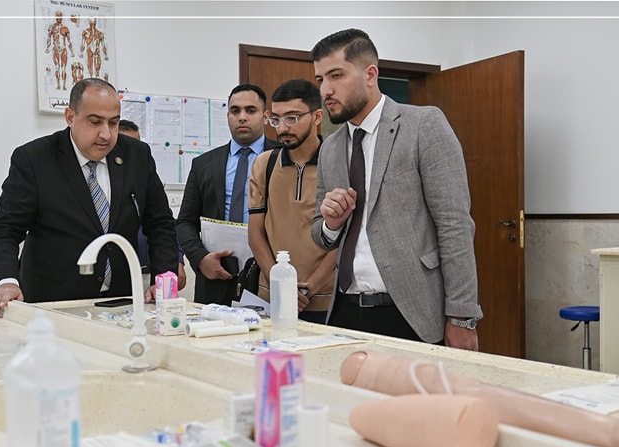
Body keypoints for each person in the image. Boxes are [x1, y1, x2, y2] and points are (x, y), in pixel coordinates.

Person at [311, 29, 481, 351]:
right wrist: (331, 224)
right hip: (345, 313)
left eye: (336, 75)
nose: (326, 90)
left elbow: (455, 226)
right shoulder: (330, 148)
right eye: (320, 79)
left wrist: (462, 317)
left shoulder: (422, 125)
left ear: (370, 74)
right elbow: (319, 234)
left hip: (411, 314)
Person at [0, 78, 178, 317]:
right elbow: (5, 229)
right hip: (53, 304)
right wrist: (6, 281)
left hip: (121, 302)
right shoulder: (34, 159)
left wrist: (164, 277)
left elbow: (160, 224)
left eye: (113, 123)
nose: (106, 134)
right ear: (70, 117)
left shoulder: (137, 155)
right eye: (95, 122)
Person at [176, 84, 279, 305]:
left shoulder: (282, 159)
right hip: (216, 275)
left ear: (265, 116)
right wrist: (200, 259)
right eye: (235, 111)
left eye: (250, 110)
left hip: (268, 275)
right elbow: (184, 222)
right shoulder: (204, 164)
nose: (242, 117)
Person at [247, 79, 335, 324]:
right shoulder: (264, 164)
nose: (283, 128)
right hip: (271, 297)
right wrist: (279, 284)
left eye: (292, 118)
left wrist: (310, 288)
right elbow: (255, 233)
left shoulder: (339, 163)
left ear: (317, 117)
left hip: (327, 299)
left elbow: (348, 238)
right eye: (276, 119)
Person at [118, 119, 187, 291]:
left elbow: (163, 223)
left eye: (136, 145)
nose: (131, 151)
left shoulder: (145, 179)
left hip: (149, 275)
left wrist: (177, 260)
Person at [44, 11, 73, 91]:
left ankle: (63, 85)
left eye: (60, 16)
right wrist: (47, 48)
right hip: (56, 49)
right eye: (57, 16)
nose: (58, 18)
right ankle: (58, 85)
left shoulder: (65, 28)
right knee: (57, 67)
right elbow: (49, 38)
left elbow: (69, 41)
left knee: (63, 68)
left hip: (63, 49)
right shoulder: (51, 27)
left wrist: (71, 51)